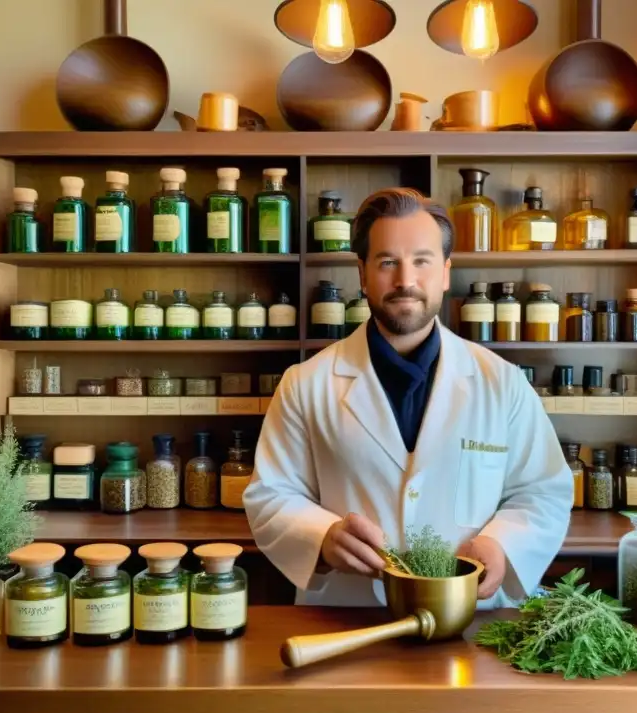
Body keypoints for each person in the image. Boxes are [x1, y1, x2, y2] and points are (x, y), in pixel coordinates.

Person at [244, 187, 572, 608]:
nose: (405, 281)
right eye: (387, 262)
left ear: (446, 272)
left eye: (422, 260)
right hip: (346, 615)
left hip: (472, 622)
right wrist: (320, 537)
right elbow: (270, 495)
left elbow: (544, 491)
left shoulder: (502, 383)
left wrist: (500, 544)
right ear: (362, 274)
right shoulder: (305, 384)